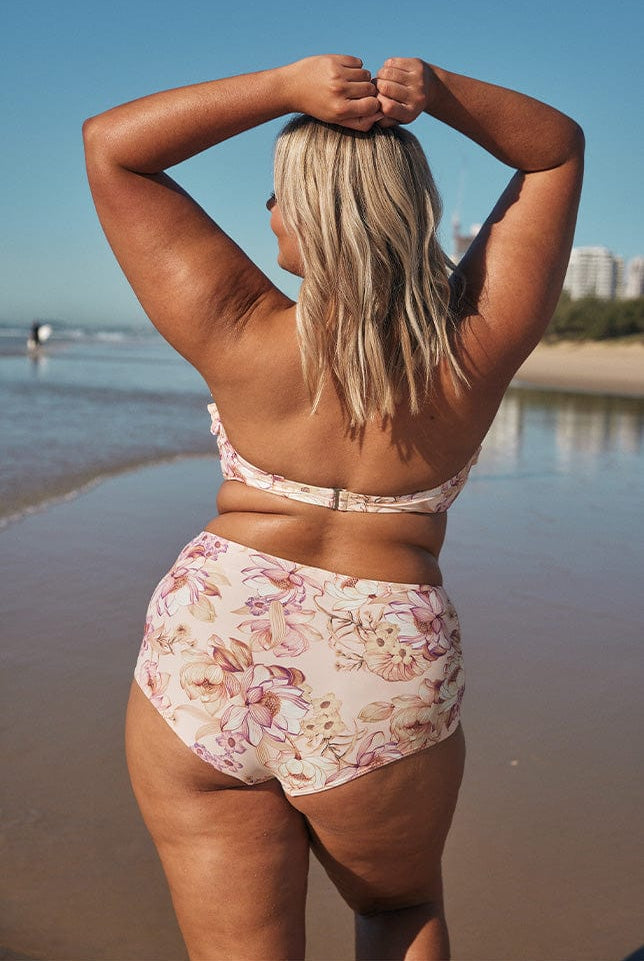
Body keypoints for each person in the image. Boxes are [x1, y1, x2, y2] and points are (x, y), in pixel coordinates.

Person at [83, 54, 583, 961]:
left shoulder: (237, 325)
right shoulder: (472, 347)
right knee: (395, 909)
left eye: (277, 194)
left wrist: (282, 88)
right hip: (379, 653)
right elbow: (554, 155)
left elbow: (114, 147)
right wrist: (440, 92)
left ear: (312, 211)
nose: (267, 212)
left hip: (216, 636)